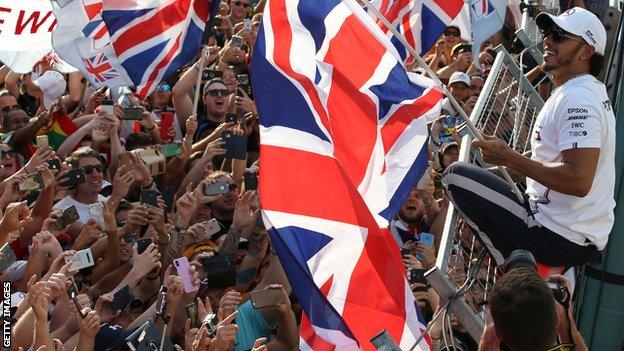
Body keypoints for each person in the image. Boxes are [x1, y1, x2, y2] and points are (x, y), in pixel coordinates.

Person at [442, 7, 614, 268]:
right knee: (479, 177)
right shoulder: (582, 91)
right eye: (548, 32)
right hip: (572, 232)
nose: (548, 39)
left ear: (586, 52)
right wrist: (505, 163)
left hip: (556, 236)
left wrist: (509, 158)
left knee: (454, 176)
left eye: (559, 36)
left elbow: (579, 180)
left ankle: (517, 269)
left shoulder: (578, 97)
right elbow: (556, 162)